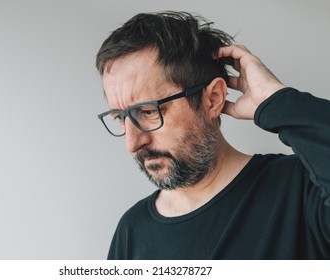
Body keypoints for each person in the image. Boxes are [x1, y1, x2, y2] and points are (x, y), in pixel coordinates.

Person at [96, 11, 330, 259]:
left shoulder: (300, 190)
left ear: (213, 99)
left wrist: (275, 102)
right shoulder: (132, 231)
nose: (132, 143)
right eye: (121, 117)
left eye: (147, 111)